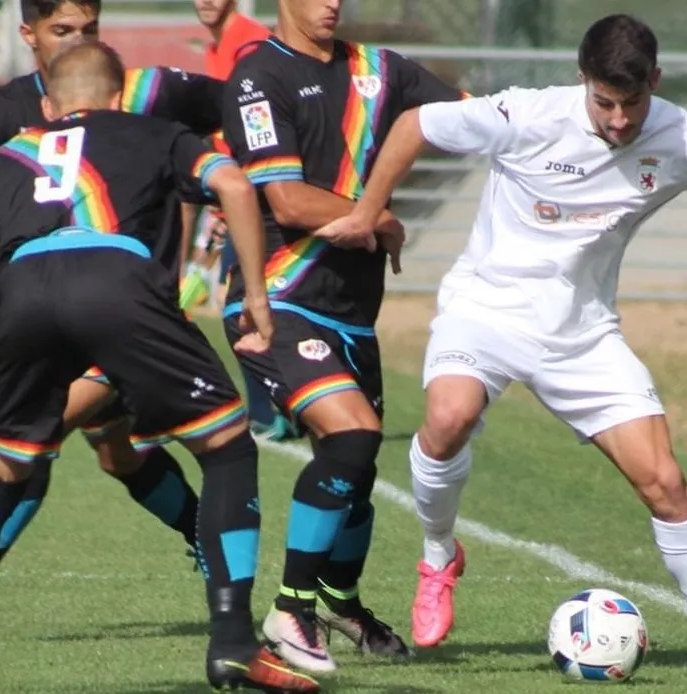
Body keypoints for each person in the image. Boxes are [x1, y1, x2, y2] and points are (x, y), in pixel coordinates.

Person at [313, 13, 687, 683]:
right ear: (583, 81)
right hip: (486, 311)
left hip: (582, 336)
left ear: (654, 84)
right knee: (448, 419)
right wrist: (370, 209)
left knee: (665, 484)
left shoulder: (680, 137)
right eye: (604, 101)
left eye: (631, 103)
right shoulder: (526, 115)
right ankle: (437, 558)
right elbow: (414, 125)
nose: (618, 118)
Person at [0, 40, 319, 694]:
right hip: (118, 284)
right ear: (118, 97)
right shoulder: (153, 131)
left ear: (46, 105)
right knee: (228, 445)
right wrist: (257, 299)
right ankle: (234, 640)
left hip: (23, 293)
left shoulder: (5, 158)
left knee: (0, 472)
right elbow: (233, 181)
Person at [220, 0, 467, 673]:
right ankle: (292, 609)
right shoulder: (258, 78)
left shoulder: (382, 71)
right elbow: (289, 202)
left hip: (352, 311)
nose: (331, 2)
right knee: (354, 435)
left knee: (356, 473)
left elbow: (472, 117)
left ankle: (340, 599)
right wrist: (377, 216)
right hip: (280, 295)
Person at [0, 0, 227, 583]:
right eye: (62, 30)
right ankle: (206, 534)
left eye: (89, 28)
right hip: (46, 311)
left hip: (131, 310)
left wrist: (237, 190)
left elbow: (247, 110)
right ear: (28, 34)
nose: (77, 40)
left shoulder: (145, 91)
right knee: (117, 452)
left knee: (26, 448)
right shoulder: (3, 116)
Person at [183, 0, 294, 441]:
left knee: (243, 304)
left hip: (259, 191)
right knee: (241, 303)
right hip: (237, 191)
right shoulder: (221, 45)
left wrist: (239, 197)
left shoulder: (248, 44)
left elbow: (255, 129)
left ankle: (276, 410)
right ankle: (270, 410)